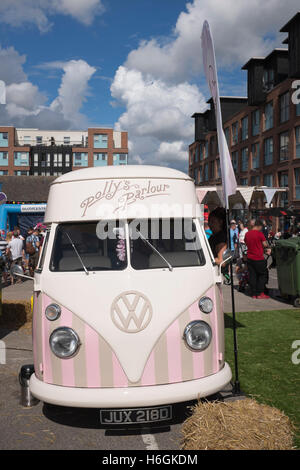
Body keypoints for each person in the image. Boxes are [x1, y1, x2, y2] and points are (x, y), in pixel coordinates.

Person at [244, 220, 271, 299]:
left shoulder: (247, 234)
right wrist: (266, 248)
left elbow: (246, 243)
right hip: (259, 258)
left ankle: (253, 293)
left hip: (250, 257)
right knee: (262, 275)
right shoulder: (260, 234)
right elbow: (265, 244)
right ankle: (260, 293)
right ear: (259, 226)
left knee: (252, 275)